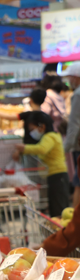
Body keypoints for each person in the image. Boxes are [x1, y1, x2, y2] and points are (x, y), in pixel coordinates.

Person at [13, 111, 69, 218]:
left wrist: (23, 148)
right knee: (55, 208)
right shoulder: (49, 137)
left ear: (42, 126)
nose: (31, 132)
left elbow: (41, 149)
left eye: (32, 129)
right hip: (54, 176)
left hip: (58, 175)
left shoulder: (50, 136)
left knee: (58, 210)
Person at [64, 63, 80, 206]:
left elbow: (74, 124)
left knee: (78, 183)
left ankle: (76, 222)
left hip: (79, 146)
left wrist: (67, 147)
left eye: (70, 77)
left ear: (76, 77)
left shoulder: (78, 94)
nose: (69, 80)